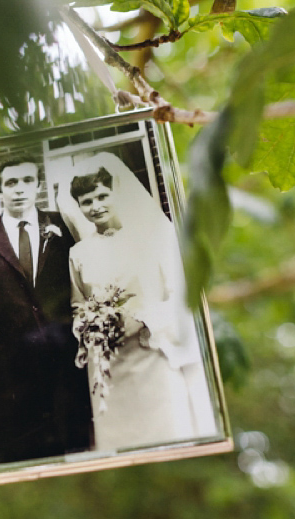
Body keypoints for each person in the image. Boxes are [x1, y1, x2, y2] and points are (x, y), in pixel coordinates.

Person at [62, 152, 216, 453]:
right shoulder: (78, 253)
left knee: (167, 435)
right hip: (109, 366)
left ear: (116, 192)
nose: (96, 206)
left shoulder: (157, 235)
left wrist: (143, 319)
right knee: (123, 445)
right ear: (78, 207)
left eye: (101, 196)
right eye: (87, 202)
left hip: (154, 353)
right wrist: (88, 325)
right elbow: (77, 305)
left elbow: (182, 296)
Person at [0, 151, 93, 464]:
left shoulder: (64, 228)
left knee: (78, 464)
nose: (19, 189)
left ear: (37, 186)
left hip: (65, 376)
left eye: (27, 181)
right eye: (11, 182)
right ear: (0, 190)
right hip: (5, 385)